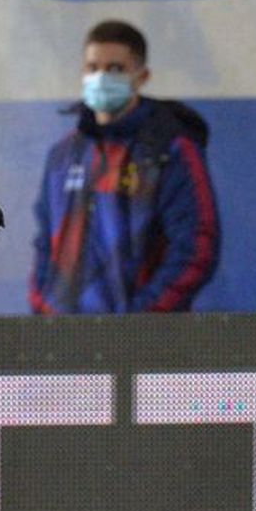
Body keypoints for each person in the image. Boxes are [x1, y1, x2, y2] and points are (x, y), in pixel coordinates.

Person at [30, 19, 220, 313]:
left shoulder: (169, 149)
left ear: (141, 77)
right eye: (93, 68)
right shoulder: (63, 155)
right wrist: (45, 309)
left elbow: (197, 248)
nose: (101, 77)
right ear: (83, 72)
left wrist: (139, 322)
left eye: (116, 69)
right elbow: (45, 245)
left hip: (145, 346)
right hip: (64, 343)